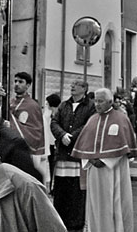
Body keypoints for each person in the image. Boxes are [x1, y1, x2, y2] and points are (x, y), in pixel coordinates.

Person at [71, 88, 137, 232]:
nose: (97, 104)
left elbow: (123, 144)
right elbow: (84, 144)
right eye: (95, 101)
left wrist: (105, 160)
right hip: (94, 171)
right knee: (95, 204)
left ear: (110, 101)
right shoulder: (92, 119)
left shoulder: (121, 118)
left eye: (100, 101)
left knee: (114, 203)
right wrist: (90, 159)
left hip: (114, 170)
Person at [50, 80, 96, 232]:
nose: (72, 86)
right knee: (61, 188)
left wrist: (72, 136)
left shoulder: (90, 106)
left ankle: (76, 222)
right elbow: (54, 122)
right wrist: (62, 134)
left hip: (78, 155)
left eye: (76, 85)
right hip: (63, 154)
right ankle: (60, 219)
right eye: (71, 85)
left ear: (84, 88)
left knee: (77, 190)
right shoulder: (64, 105)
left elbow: (89, 125)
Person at [8, 72, 48, 186]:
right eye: (15, 81)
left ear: (28, 85)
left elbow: (36, 131)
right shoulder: (10, 102)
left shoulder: (32, 105)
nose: (16, 84)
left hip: (25, 150)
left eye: (20, 82)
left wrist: (12, 123)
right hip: (10, 148)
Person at [43, 93, 61, 189]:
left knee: (51, 166)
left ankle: (51, 186)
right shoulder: (54, 114)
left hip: (51, 143)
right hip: (52, 143)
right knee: (52, 166)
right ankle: (51, 186)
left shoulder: (48, 115)